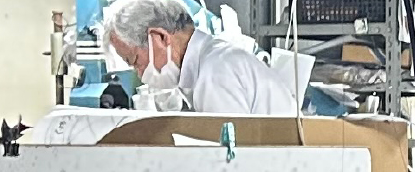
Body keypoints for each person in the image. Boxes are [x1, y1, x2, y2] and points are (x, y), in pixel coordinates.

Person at [99, 0, 298, 116]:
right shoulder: (209, 62)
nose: (140, 73)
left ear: (160, 37)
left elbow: (229, 162)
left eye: (134, 61)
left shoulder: (215, 73)